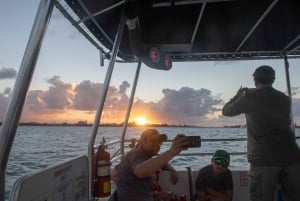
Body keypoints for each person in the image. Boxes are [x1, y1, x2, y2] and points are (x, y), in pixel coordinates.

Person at [222, 65, 300, 201]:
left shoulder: (249, 97)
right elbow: (268, 100)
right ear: (273, 79)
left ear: (255, 80)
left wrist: (238, 96)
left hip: (264, 160)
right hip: (292, 158)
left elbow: (226, 111)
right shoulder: (285, 99)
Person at [116, 128, 191, 201]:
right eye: (153, 141)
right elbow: (140, 172)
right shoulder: (136, 154)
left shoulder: (146, 155)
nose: (157, 145)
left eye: (159, 142)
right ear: (142, 142)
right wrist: (172, 151)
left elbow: (158, 162)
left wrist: (172, 170)